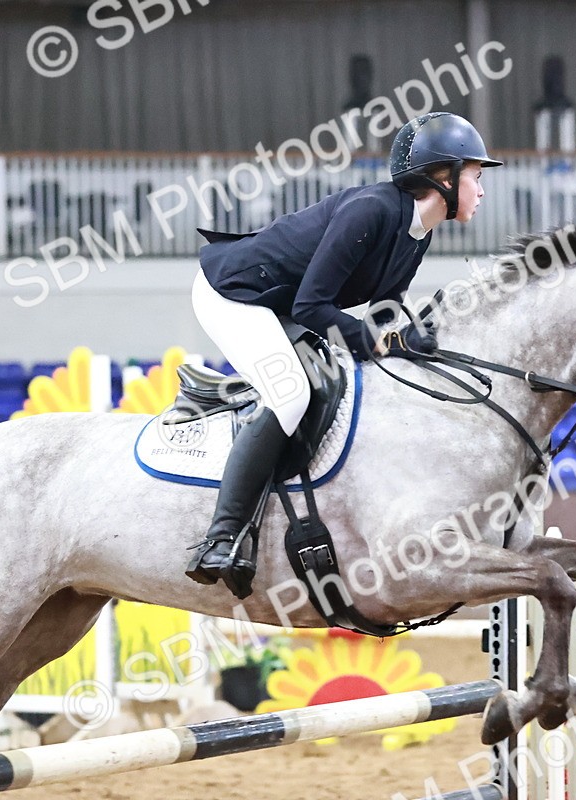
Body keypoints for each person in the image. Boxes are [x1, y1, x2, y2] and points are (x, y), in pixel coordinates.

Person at [184, 111, 502, 599]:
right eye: (475, 177)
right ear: (443, 177)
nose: (480, 189)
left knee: (339, 384)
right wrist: (387, 341)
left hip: (281, 306)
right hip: (233, 295)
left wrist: (413, 338)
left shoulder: (419, 232)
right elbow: (315, 305)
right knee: (291, 395)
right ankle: (220, 539)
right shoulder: (371, 210)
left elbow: (383, 312)